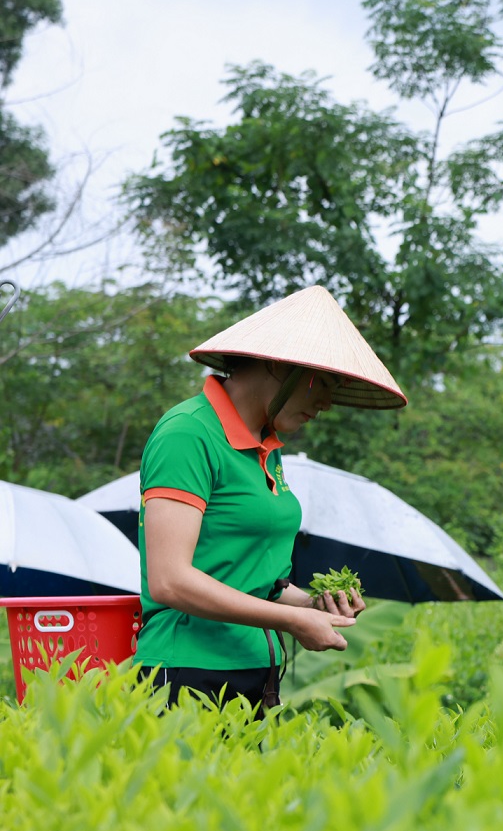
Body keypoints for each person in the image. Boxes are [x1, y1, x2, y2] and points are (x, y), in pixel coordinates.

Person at [137, 286, 407, 710]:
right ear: (280, 367)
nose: (327, 403)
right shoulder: (187, 434)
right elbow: (170, 580)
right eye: (326, 382)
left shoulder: (268, 446)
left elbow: (250, 582)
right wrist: (294, 620)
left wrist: (314, 604)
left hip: (256, 675)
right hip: (187, 672)